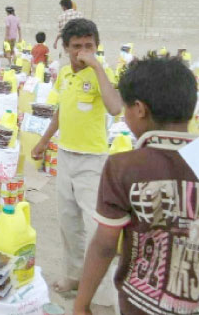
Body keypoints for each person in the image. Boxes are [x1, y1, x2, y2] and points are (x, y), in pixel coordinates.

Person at [72, 56, 199, 315]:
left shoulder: (124, 166)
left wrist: (81, 303)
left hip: (141, 304)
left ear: (139, 109)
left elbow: (105, 244)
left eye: (127, 107)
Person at [31, 18, 122, 307]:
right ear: (67, 49)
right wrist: (45, 140)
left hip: (92, 162)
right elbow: (62, 110)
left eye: (89, 46)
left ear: (97, 46)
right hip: (66, 157)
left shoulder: (100, 73)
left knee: (98, 231)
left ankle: (103, 296)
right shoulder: (64, 74)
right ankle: (74, 276)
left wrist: (96, 66)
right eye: (77, 47)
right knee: (69, 224)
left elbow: (115, 107)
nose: (83, 51)